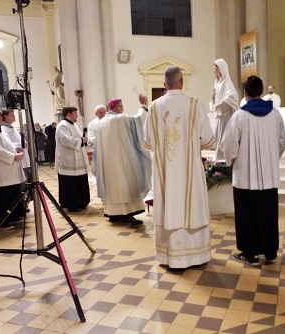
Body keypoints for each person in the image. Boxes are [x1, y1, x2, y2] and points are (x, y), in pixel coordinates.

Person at [144, 65, 215, 269]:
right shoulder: (194, 104)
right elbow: (209, 140)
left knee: (169, 206)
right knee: (192, 205)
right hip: (190, 170)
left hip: (165, 172)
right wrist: (191, 144)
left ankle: (170, 256)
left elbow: (147, 141)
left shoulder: (155, 107)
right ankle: (195, 256)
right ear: (182, 82)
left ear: (164, 84)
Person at [221, 75, 285, 266]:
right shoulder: (275, 114)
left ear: (245, 93)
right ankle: (270, 251)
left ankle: (250, 254)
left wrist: (231, 161)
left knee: (246, 215)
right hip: (269, 178)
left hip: (245, 177)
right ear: (262, 91)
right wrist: (272, 159)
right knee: (268, 214)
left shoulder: (240, 116)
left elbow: (230, 146)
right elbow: (282, 142)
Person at [94, 95, 151, 225]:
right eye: (121, 106)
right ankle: (126, 215)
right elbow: (138, 120)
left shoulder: (102, 121)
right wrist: (142, 105)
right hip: (120, 162)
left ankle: (114, 214)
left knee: (113, 188)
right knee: (124, 186)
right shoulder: (119, 119)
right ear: (116, 108)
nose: (123, 109)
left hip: (107, 164)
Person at [55, 106, 90, 212]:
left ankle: (81, 201)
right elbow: (66, 140)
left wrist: (83, 140)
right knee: (70, 184)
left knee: (79, 182)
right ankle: (71, 203)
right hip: (68, 161)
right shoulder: (62, 126)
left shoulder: (73, 125)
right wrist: (80, 140)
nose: (77, 115)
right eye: (75, 113)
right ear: (69, 114)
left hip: (78, 160)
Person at [211, 59, 239, 160]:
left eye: (216, 69)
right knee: (218, 139)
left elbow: (233, 97)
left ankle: (224, 161)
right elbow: (216, 99)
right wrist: (213, 97)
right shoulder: (217, 83)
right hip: (219, 117)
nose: (214, 71)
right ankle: (219, 160)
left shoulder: (227, 82)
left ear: (221, 69)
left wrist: (221, 105)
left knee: (224, 140)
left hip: (225, 117)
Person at [1, 108, 31, 183]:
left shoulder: (11, 127)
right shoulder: (3, 128)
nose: (14, 117)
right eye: (12, 115)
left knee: (28, 177)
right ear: (5, 116)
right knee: (24, 180)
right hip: (18, 157)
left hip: (24, 156)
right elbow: (8, 143)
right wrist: (22, 144)